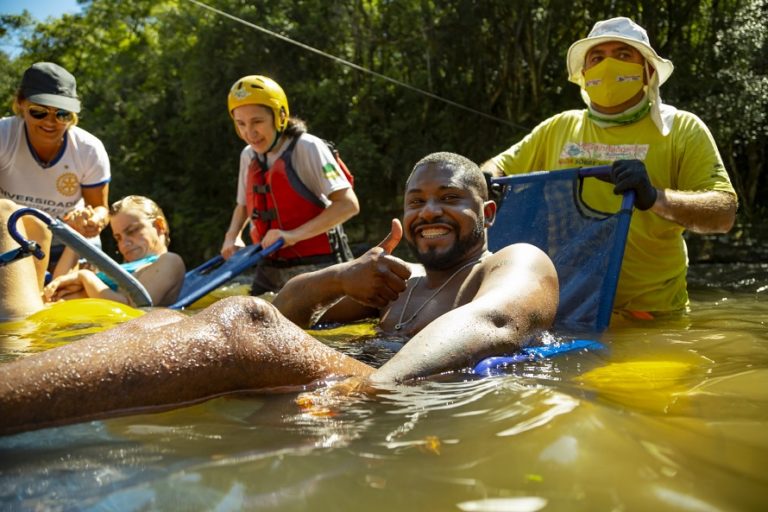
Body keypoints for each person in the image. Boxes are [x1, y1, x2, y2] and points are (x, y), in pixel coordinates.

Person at [0, 152, 558, 435]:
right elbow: (292, 318)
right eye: (416, 201)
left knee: (242, 321)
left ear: (486, 213)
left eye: (449, 198)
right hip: (367, 382)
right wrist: (336, 279)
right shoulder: (398, 283)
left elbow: (495, 326)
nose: (429, 211)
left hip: (424, 398)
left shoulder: (514, 261)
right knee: (160, 323)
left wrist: (368, 392)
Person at [482, 17, 738, 318]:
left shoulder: (682, 128)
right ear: (584, 73)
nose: (608, 65)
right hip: (567, 311)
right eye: (597, 58)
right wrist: (485, 177)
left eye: (623, 55)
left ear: (648, 72)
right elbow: (496, 167)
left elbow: (724, 213)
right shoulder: (559, 127)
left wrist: (654, 197)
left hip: (652, 316)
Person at [221, 75, 360, 296]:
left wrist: (293, 235)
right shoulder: (249, 155)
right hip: (269, 268)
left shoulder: (307, 147)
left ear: (280, 116)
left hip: (319, 267)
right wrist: (232, 236)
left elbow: (348, 205)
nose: (249, 132)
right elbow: (243, 206)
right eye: (241, 124)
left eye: (257, 121)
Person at [0, 62, 112, 275]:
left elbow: (101, 208)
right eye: (39, 112)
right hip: (11, 235)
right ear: (21, 103)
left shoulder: (89, 149)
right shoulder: (3, 137)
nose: (51, 122)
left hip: (71, 238)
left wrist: (93, 221)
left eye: (62, 114)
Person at [0, 195, 185, 320]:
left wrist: (85, 278)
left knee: (4, 210)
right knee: (35, 224)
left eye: (132, 231)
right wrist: (76, 235)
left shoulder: (169, 261)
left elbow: (137, 309)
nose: (125, 243)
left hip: (29, 317)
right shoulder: (119, 271)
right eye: (118, 238)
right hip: (43, 309)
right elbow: (56, 284)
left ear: (160, 225)